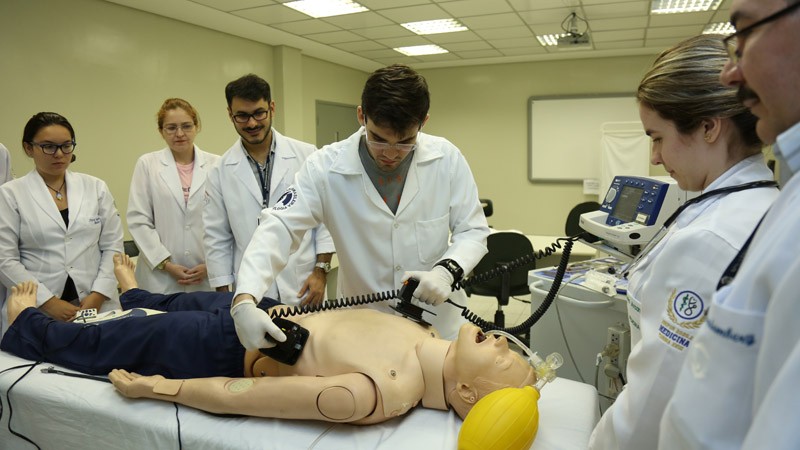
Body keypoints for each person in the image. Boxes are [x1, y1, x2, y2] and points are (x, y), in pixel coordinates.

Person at [0, 255, 535, 425]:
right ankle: (139, 290)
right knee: (187, 300)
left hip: (226, 351)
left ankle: (26, 326)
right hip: (266, 317)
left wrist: (158, 389)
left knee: (127, 335)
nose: (505, 343)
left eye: (503, 360)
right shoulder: (428, 334)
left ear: (465, 393)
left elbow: (246, 397)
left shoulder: (376, 392)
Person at [588, 35, 779, 450]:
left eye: (657, 137)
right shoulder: (757, 203)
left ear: (709, 127)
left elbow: (651, 404)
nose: (655, 157)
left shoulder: (710, 239)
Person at [230, 64, 490, 347]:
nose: (391, 153)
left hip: (440, 325)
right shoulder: (325, 167)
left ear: (423, 122)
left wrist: (447, 270)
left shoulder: (446, 159)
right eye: (378, 139)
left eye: (405, 142)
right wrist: (245, 298)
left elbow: (473, 230)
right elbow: (278, 226)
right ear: (361, 116)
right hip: (364, 329)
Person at [658, 1, 800, 448]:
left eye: (744, 35)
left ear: (708, 128)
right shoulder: (785, 197)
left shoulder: (716, 232)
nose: (730, 73)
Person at [204, 74, 333, 307]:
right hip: (250, 288)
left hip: (304, 281)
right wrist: (222, 296)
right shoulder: (219, 171)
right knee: (257, 343)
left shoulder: (307, 155)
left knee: (311, 340)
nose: (252, 123)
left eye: (259, 113)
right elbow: (217, 237)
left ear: (271, 107)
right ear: (230, 115)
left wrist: (321, 270)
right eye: (242, 116)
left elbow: (325, 219)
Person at [0, 112, 123, 335]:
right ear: (29, 148)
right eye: (48, 146)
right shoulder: (10, 194)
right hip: (37, 308)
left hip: (97, 303)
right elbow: (5, 259)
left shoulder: (95, 187)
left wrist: (99, 294)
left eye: (66, 146)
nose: (59, 154)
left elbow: (113, 246)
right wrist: (48, 302)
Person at [127, 98, 219, 293]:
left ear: (197, 127)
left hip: (206, 276)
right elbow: (139, 220)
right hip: (160, 278)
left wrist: (211, 265)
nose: (179, 134)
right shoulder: (147, 164)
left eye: (186, 126)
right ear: (161, 131)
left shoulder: (217, 165)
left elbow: (226, 222)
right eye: (171, 128)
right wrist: (165, 264)